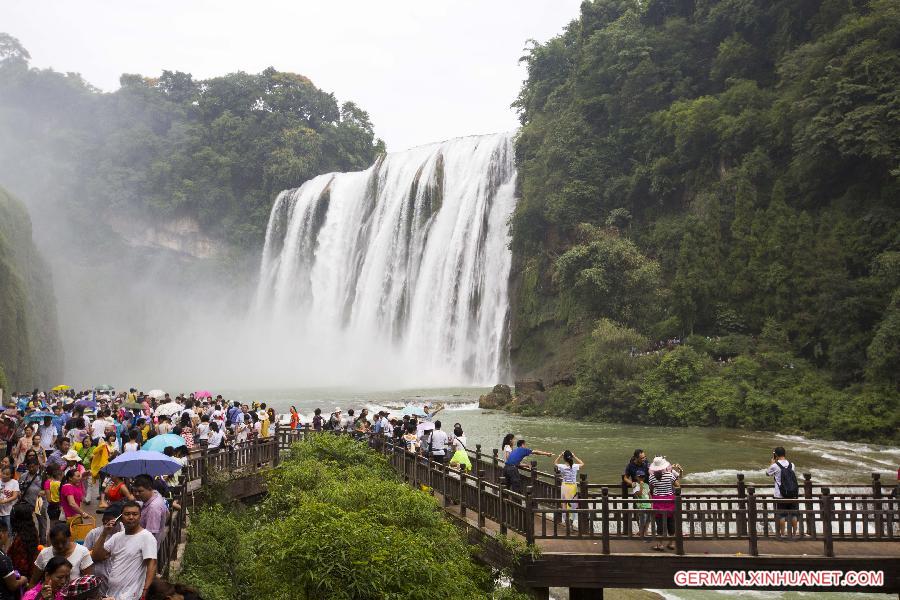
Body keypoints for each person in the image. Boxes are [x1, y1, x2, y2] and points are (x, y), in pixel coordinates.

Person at [90, 500, 157, 600]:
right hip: (112, 593)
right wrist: (104, 533)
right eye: (127, 514)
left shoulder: (146, 537)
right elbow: (96, 556)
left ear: (140, 516)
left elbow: (152, 563)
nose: (131, 517)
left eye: (134, 514)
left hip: (131, 595)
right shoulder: (117, 537)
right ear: (121, 518)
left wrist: (145, 590)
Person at [83, 503, 123, 593]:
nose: (105, 521)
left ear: (119, 519)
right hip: (99, 581)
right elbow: (83, 556)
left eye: (109, 519)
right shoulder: (94, 533)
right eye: (104, 518)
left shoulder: (124, 534)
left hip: (118, 582)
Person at [648, 456, 682, 551]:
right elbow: (678, 486)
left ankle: (660, 544)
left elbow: (651, 489)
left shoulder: (651, 477)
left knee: (660, 523)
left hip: (658, 502)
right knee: (671, 522)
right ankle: (671, 543)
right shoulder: (670, 475)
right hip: (670, 501)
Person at [766, 446, 799, 538]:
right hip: (792, 493)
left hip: (780, 494)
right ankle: (794, 534)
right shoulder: (792, 465)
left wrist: (772, 463)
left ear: (775, 455)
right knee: (793, 514)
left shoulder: (775, 466)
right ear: (785, 454)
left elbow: (767, 473)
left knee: (781, 515)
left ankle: (783, 534)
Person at [131, 475, 168, 545]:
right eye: (135, 491)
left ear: (150, 489)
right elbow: (167, 513)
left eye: (140, 491)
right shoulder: (156, 493)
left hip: (146, 548)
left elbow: (150, 535)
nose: (136, 494)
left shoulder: (153, 508)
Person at [0, 512, 29, 598]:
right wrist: (23, 580)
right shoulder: (3, 559)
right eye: (7, 533)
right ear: (1, 534)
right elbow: (13, 585)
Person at [554, 450, 583, 526]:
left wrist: (560, 455)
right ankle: (571, 520)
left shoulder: (562, 467)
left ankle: (566, 520)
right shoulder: (575, 466)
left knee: (564, 504)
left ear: (564, 458)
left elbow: (555, 463)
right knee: (573, 505)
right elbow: (582, 463)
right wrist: (575, 456)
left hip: (565, 486)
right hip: (573, 486)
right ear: (571, 458)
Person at [0, 467, 20, 533]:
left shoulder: (14, 482)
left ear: (11, 475)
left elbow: (15, 496)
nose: (4, 475)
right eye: (3, 473)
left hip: (9, 511)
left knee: (8, 531)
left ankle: (9, 543)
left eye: (7, 474)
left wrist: (3, 501)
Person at [633, 472, 651, 540]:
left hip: (648, 504)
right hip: (641, 505)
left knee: (648, 520)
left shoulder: (646, 485)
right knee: (642, 519)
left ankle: (644, 532)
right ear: (636, 477)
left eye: (643, 476)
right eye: (640, 476)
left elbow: (649, 495)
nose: (641, 478)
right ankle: (641, 532)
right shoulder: (635, 485)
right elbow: (639, 494)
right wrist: (640, 485)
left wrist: (651, 504)